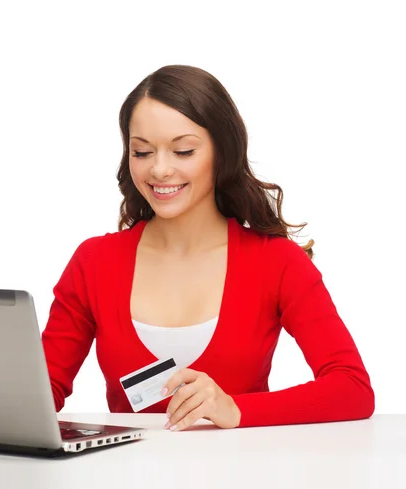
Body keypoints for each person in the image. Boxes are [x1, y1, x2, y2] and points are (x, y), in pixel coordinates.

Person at [41, 64, 374, 430]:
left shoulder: (276, 262)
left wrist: (237, 410)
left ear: (222, 152)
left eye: (183, 151)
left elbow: (352, 387)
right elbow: (40, 392)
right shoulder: (95, 262)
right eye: (142, 152)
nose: (159, 170)